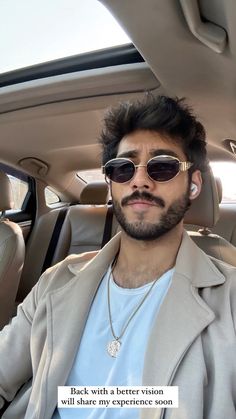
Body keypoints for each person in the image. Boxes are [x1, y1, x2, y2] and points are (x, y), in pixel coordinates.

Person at [0, 95, 236, 419]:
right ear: (112, 184)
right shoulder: (56, 281)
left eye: (163, 166)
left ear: (194, 185)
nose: (139, 179)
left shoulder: (231, 298)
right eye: (123, 168)